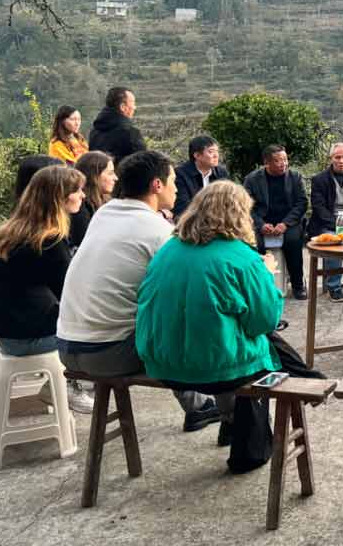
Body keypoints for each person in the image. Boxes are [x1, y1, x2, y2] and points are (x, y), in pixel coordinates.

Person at [57, 150, 220, 431]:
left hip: (66, 346)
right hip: (108, 353)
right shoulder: (158, 231)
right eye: (172, 180)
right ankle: (218, 407)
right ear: (157, 185)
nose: (176, 187)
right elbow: (193, 289)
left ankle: (199, 405)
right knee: (197, 320)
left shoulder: (104, 213)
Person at [135, 181, 284, 460]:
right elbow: (264, 322)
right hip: (217, 369)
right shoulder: (242, 257)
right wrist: (266, 275)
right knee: (265, 352)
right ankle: (250, 449)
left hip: (163, 363)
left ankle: (231, 422)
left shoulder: (168, 249)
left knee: (224, 335)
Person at [0, 166, 93, 412]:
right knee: (101, 334)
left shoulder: (16, 230)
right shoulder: (50, 240)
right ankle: (66, 385)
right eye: (77, 190)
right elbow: (70, 296)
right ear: (60, 197)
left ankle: (63, 383)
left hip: (6, 333)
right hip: (26, 339)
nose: (83, 195)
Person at [243, 145, 308, 301]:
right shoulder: (252, 180)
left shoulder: (295, 177)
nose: (283, 164)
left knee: (292, 241)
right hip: (261, 222)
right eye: (278, 161)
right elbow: (245, 206)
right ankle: (258, 287)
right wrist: (260, 224)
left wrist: (285, 224)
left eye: (285, 159)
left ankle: (298, 285)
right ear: (266, 163)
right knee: (254, 243)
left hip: (288, 222)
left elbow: (302, 203)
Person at [308, 142, 343, 302]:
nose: (341, 161)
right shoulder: (319, 179)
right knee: (333, 243)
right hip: (327, 221)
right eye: (337, 157)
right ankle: (334, 287)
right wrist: (338, 224)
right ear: (331, 158)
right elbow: (318, 207)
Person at [172, 135, 230, 218]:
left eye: (217, 151)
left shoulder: (221, 173)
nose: (216, 155)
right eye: (211, 152)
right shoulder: (180, 174)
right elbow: (182, 208)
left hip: (218, 220)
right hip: (189, 221)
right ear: (197, 155)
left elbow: (227, 202)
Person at [69, 151, 117, 248]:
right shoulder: (79, 208)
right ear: (94, 176)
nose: (115, 178)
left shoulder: (106, 201)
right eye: (110, 173)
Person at [88, 87, 146, 163]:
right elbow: (143, 164)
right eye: (133, 103)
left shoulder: (94, 132)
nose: (135, 107)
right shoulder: (131, 133)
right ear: (123, 107)